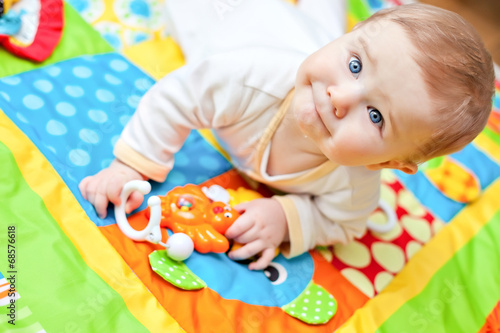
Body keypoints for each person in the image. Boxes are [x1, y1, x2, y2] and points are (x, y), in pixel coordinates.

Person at [79, 1, 495, 270]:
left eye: (375, 115)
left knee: (316, 29)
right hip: (240, 22)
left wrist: (287, 219)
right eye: (355, 65)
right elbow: (179, 95)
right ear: (346, 44)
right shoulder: (251, 77)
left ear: (386, 164)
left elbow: (344, 223)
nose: (339, 98)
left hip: (301, 36)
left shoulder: (354, 187)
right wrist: (132, 163)